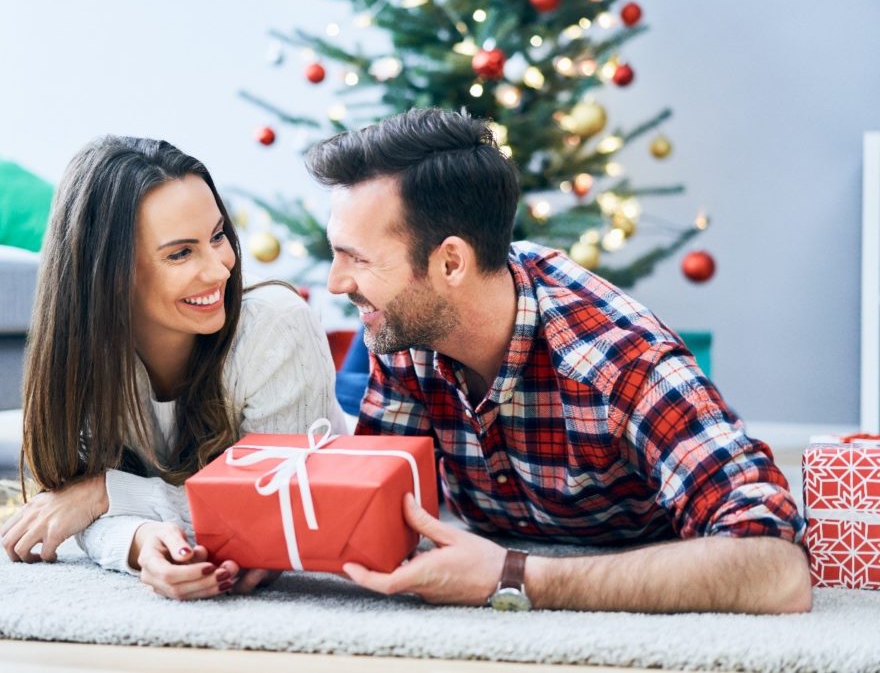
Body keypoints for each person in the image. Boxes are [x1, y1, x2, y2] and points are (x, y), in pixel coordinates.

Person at [306, 108, 812, 614]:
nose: (336, 283)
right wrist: (256, 545)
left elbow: (776, 567)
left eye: (359, 259)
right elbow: (369, 503)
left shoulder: (618, 361)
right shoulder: (410, 324)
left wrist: (515, 576)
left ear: (451, 263)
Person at [0, 135, 346, 600]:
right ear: (108, 274)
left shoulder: (276, 326)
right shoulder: (82, 357)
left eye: (218, 236)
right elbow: (69, 507)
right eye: (180, 253)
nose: (221, 270)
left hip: (342, 462)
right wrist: (139, 543)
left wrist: (107, 493)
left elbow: (276, 504)